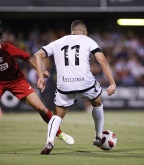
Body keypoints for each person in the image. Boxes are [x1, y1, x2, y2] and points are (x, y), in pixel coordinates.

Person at [32, 20, 116, 154]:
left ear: (72, 30)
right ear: (85, 32)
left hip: (65, 85)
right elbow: (103, 61)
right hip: (85, 83)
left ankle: (49, 142)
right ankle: (98, 136)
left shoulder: (58, 42)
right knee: (97, 103)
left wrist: (40, 77)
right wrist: (112, 83)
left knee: (57, 115)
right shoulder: (88, 40)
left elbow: (37, 55)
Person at [0, 30, 74, 145]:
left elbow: (29, 59)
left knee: (42, 108)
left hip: (17, 81)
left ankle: (59, 133)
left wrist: (40, 72)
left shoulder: (8, 48)